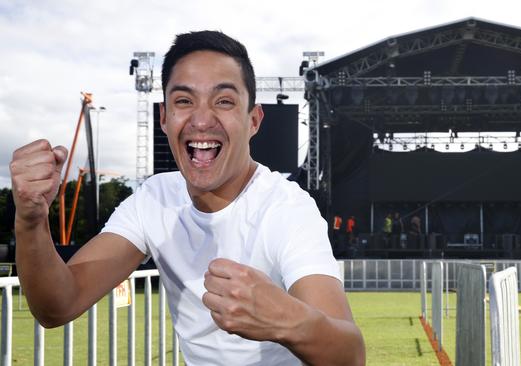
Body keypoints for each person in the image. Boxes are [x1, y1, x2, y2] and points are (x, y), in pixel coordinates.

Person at [10, 30, 364, 365]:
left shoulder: (288, 208)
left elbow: (351, 354)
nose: (201, 119)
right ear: (164, 118)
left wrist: (288, 320)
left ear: (254, 120)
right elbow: (57, 305)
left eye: (224, 101)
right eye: (183, 100)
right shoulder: (154, 199)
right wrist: (30, 220)